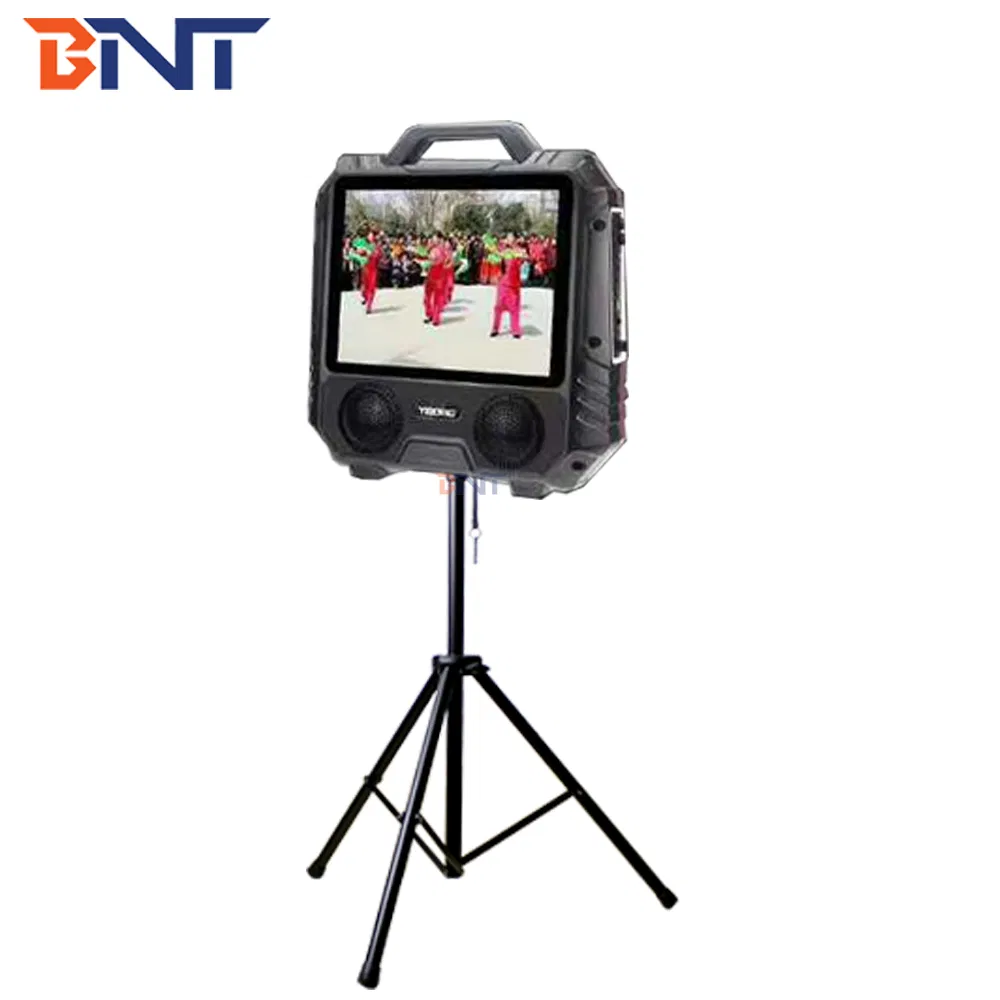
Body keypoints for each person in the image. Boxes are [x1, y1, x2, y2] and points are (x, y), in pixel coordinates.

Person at [490, 238, 526, 338]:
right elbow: (494, 259)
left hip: (514, 284)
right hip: (503, 283)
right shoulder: (503, 253)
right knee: (499, 307)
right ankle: (495, 328)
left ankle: (515, 330)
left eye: (511, 240)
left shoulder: (519, 253)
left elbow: (525, 257)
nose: (508, 242)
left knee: (514, 308)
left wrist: (517, 253)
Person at [422, 233, 450, 326]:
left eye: (435, 238)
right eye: (432, 238)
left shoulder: (443, 249)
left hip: (439, 274)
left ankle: (436, 318)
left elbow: (446, 261)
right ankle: (430, 314)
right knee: (427, 296)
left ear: (439, 239)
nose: (433, 240)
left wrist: (432, 260)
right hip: (431, 273)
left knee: (437, 297)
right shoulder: (431, 248)